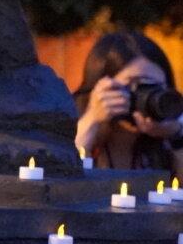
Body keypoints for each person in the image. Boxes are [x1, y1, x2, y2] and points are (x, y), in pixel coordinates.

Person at [73, 31, 183, 176]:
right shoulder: (67, 119)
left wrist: (177, 136)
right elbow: (61, 177)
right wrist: (92, 119)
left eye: (156, 87)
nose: (147, 96)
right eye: (135, 85)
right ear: (100, 86)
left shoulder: (172, 133)